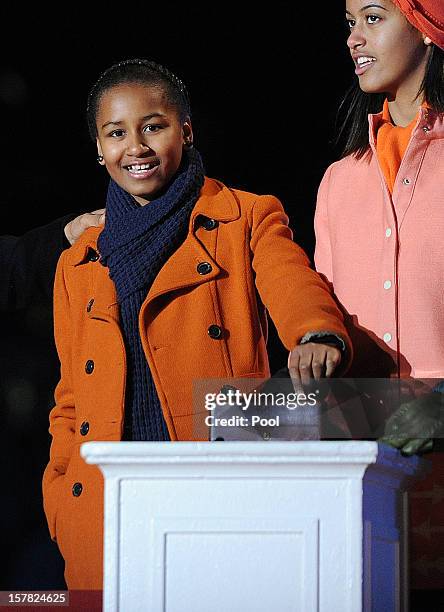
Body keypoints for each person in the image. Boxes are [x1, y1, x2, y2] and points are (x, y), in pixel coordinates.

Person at [42, 58, 352, 590]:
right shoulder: (79, 261)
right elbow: (70, 398)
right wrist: (61, 503)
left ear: (185, 130)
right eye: (116, 133)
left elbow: (292, 282)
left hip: (213, 481)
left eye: (153, 126)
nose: (135, 146)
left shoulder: (245, 215)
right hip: (104, 503)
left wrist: (315, 334)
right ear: (98, 148)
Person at [313, 0, 444, 596]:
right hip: (364, 483)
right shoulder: (341, 180)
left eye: (373, 17)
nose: (353, 38)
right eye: (349, 23)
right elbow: (326, 319)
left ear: (427, 25)